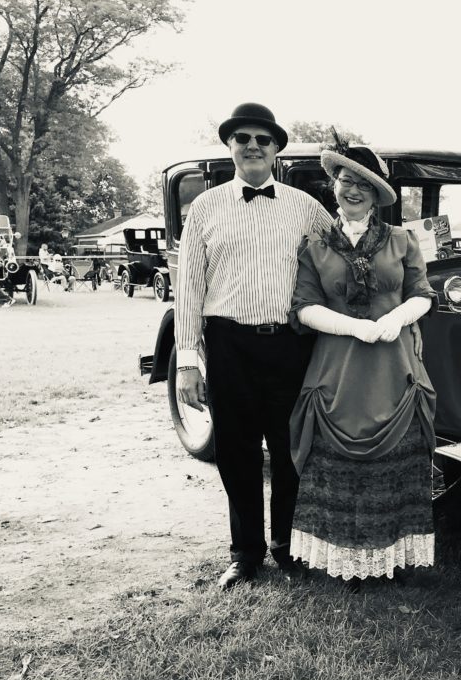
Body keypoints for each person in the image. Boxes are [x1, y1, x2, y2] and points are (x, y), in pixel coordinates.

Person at [174, 103, 334, 590]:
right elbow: (189, 288)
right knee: (236, 453)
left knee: (290, 451)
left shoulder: (306, 207)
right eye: (242, 137)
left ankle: (288, 546)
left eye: (262, 139)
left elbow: (344, 255)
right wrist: (186, 362)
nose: (252, 145)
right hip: (228, 345)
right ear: (230, 146)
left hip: (289, 345)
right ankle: (246, 553)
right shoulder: (204, 207)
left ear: (276, 149)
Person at [288, 139, 437, 586]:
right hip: (337, 369)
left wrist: (398, 318)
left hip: (395, 367)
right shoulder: (314, 245)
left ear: (376, 196)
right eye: (346, 181)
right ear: (333, 185)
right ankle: (347, 562)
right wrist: (354, 328)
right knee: (339, 468)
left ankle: (393, 559)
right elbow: (304, 307)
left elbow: (423, 295)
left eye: (364, 185)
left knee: (397, 463)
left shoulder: (401, 240)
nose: (353, 191)